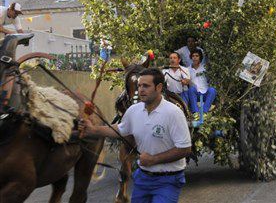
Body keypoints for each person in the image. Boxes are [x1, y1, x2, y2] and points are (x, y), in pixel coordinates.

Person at [79, 68, 192, 203]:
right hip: (143, 179)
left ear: (159, 87)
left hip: (168, 181)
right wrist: (92, 130)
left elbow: (185, 149)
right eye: (139, 85)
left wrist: (153, 159)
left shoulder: (173, 113)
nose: (141, 90)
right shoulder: (133, 110)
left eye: (146, 86)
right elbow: (121, 130)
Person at [187, 49, 216, 114]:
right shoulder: (187, 69)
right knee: (191, 89)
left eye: (197, 56)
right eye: (193, 56)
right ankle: (195, 113)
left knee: (212, 90)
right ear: (191, 57)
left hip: (205, 93)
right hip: (195, 94)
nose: (195, 58)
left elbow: (211, 79)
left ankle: (204, 112)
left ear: (200, 57)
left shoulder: (205, 68)